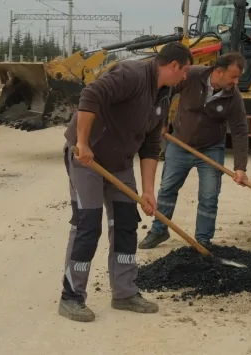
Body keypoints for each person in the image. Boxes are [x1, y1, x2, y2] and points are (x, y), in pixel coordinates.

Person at [58, 42, 193, 322]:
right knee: (88, 224)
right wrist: (83, 142)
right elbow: (90, 95)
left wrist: (147, 191)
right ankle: (71, 297)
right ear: (173, 66)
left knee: (125, 224)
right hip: (88, 159)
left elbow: (151, 146)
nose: (185, 77)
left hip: (119, 164)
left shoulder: (163, 95)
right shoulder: (131, 75)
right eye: (185, 70)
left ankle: (125, 292)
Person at [139, 52, 251, 249]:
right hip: (180, 144)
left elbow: (241, 131)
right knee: (167, 189)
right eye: (233, 76)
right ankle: (158, 230)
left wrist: (240, 167)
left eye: (238, 77)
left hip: (211, 149)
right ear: (218, 72)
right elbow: (166, 92)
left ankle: (203, 240)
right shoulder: (192, 76)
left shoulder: (233, 97)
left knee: (209, 196)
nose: (236, 81)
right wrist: (162, 123)